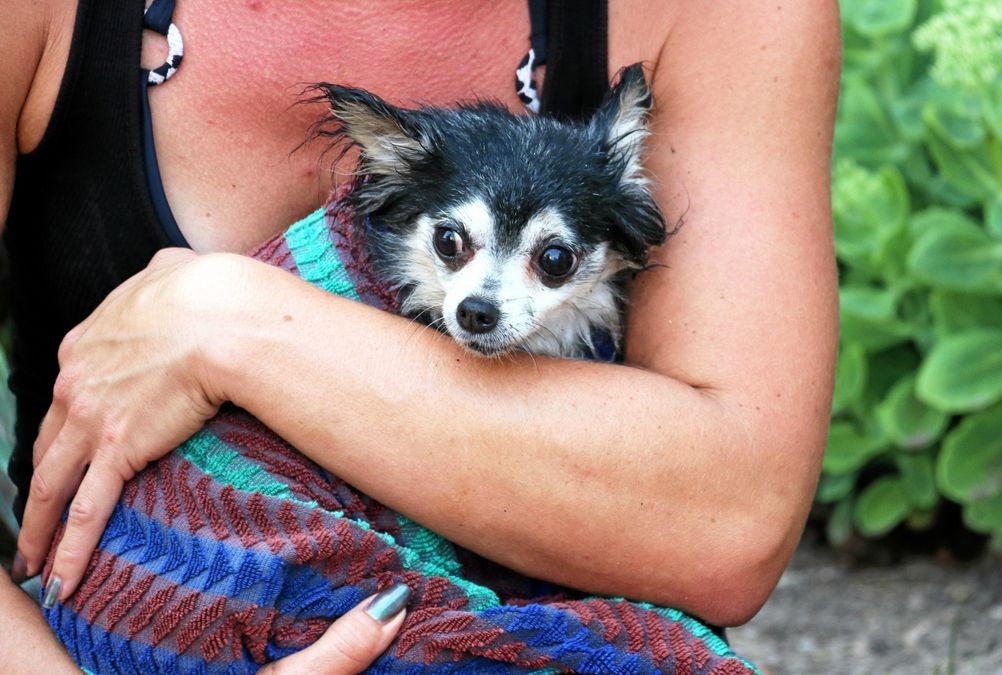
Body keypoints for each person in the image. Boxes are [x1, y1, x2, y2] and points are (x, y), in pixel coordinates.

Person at [0, 0, 840, 669]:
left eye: (550, 259)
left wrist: (230, 324)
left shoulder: (726, 14)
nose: (483, 300)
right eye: (455, 245)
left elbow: (729, 521)